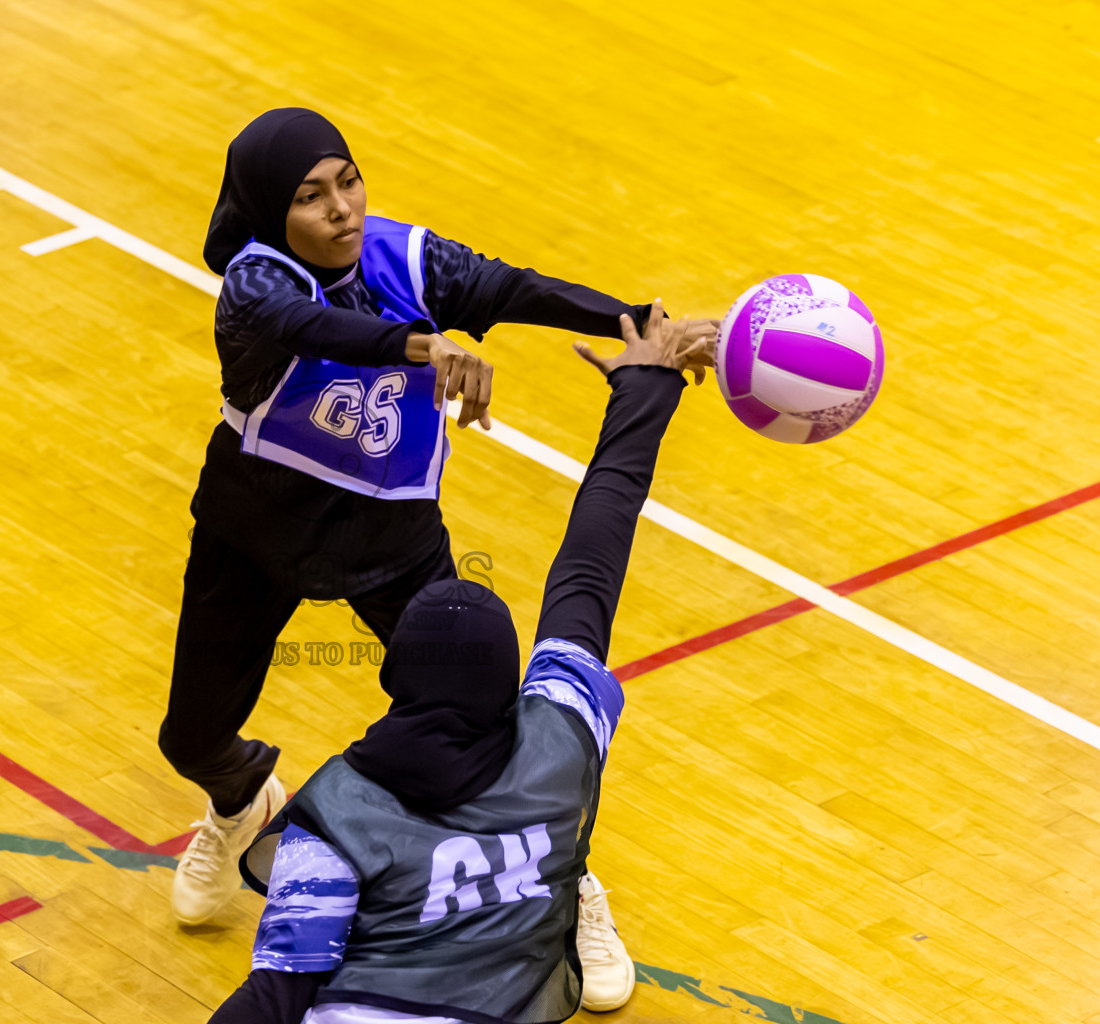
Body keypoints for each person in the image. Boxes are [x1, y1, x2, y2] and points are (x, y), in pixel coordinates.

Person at [163, 106, 716, 938]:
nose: (342, 207)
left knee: (495, 740)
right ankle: (241, 803)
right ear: (273, 209)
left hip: (393, 537)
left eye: (348, 181)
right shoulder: (253, 283)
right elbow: (314, 327)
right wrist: (421, 348)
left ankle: (568, 889)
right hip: (254, 531)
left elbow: (510, 287)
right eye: (311, 197)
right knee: (192, 737)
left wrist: (641, 324)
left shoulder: (405, 259)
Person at [210, 302, 712, 1023]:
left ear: (395, 677)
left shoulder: (337, 810)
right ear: (511, 683)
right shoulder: (561, 739)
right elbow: (590, 565)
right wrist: (646, 390)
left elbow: (280, 993)